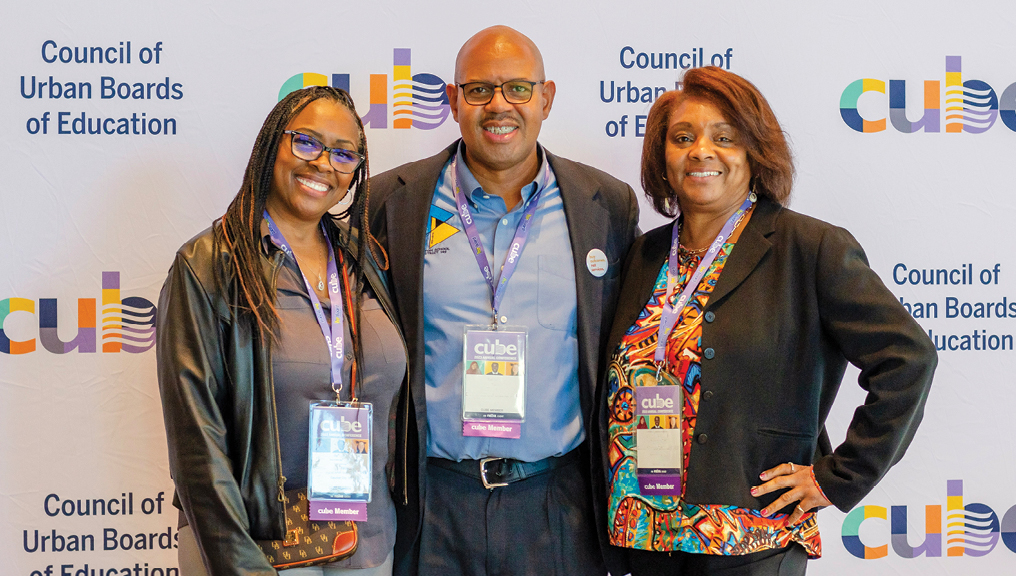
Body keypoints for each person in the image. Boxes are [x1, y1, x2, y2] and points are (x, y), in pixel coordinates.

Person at [604, 66, 937, 576]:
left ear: (755, 153)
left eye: (725, 138)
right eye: (683, 138)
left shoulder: (810, 248)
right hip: (642, 537)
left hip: (751, 538)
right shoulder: (644, 256)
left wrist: (838, 477)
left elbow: (907, 358)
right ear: (662, 157)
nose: (701, 151)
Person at [369, 25, 639, 576]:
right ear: (452, 101)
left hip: (558, 506)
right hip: (433, 502)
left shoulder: (606, 205)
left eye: (518, 88)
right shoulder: (387, 204)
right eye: (478, 90)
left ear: (546, 98)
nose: (499, 105)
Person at [156, 86, 406, 576]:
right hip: (256, 547)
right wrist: (239, 564)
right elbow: (195, 442)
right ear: (272, 144)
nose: (322, 164)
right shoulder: (209, 265)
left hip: (368, 540)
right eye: (306, 142)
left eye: (343, 153)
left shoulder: (365, 259)